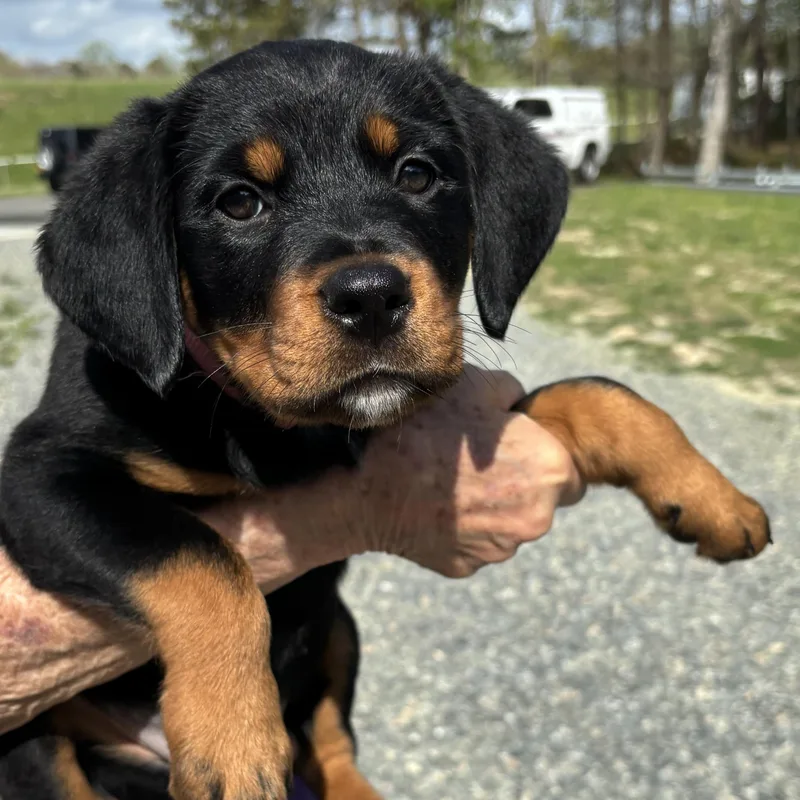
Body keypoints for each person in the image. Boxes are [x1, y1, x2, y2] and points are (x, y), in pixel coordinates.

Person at [0, 366, 585, 735]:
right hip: (85, 734)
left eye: (416, 175)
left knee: (336, 629)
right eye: (241, 204)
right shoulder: (126, 396)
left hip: (283, 722)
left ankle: (331, 756)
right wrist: (359, 508)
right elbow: (44, 486)